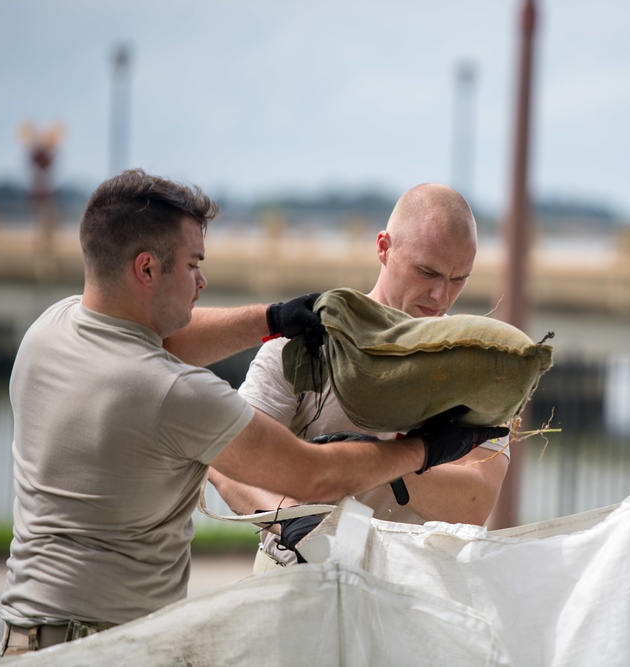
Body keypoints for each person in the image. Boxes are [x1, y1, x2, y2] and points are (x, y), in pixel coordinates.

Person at [0, 170, 506, 658]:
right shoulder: (175, 394)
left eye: (459, 278)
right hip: (114, 647)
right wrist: (422, 451)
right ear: (146, 268)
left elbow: (161, 338)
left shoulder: (51, 328)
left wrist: (274, 318)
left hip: (26, 639)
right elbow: (314, 474)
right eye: (194, 264)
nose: (203, 281)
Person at [209, 183, 511, 570]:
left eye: (458, 278)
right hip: (297, 572)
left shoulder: (477, 370)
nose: (440, 296)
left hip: (414, 587)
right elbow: (226, 459)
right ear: (383, 247)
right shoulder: (311, 343)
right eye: (427, 272)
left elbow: (476, 502)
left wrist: (375, 463)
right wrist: (290, 518)